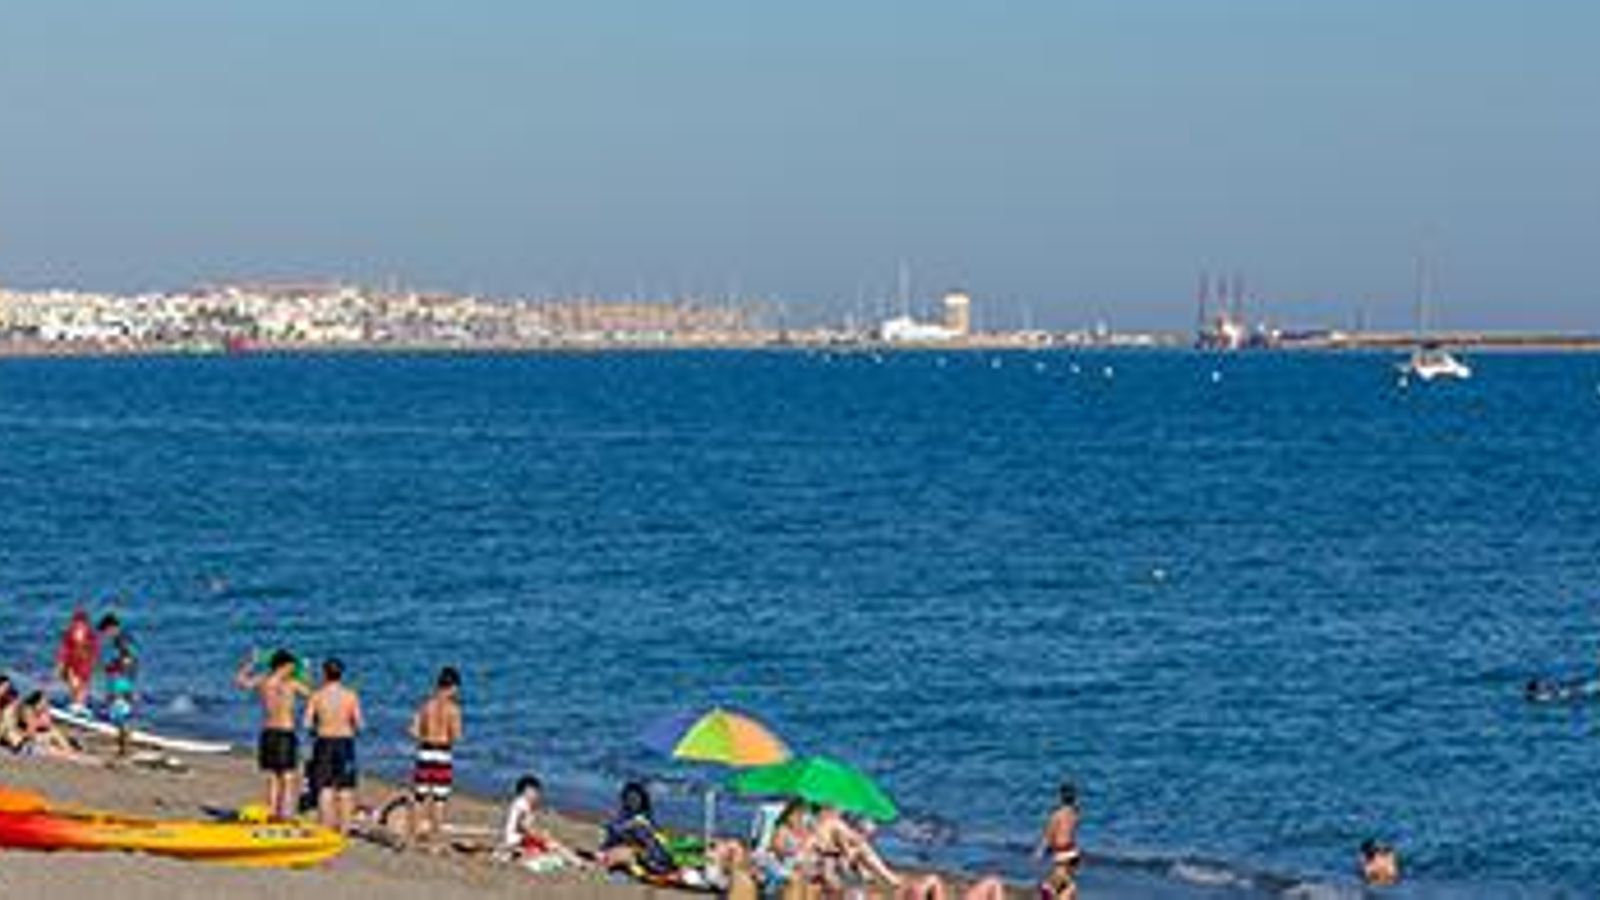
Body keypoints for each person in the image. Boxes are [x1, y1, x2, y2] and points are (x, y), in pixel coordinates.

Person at [235, 649, 309, 820]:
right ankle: (285, 815)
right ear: (283, 666)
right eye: (291, 666)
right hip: (285, 732)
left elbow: (240, 681)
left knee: (274, 776)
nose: (292, 669)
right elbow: (312, 695)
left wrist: (250, 663)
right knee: (288, 777)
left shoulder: (263, 681)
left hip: (267, 732)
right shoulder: (291, 684)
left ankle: (273, 812)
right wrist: (305, 672)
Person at [305, 657, 363, 833]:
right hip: (345, 743)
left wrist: (317, 728)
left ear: (324, 673)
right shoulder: (350, 695)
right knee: (345, 788)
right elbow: (360, 723)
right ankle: (344, 827)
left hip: (324, 742)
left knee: (325, 787)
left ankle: (325, 827)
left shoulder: (317, 695)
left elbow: (307, 722)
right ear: (341, 674)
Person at [407, 665, 463, 847]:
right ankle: (435, 836)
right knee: (439, 798)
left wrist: (425, 736)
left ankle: (415, 833)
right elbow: (456, 735)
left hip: (425, 750)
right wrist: (447, 738)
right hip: (443, 752)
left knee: (420, 795)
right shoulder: (453, 709)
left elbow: (412, 730)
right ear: (452, 686)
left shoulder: (426, 705)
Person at [499, 775, 588, 871]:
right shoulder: (522, 804)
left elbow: (523, 826)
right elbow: (523, 826)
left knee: (547, 847)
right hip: (518, 840)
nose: (537, 795)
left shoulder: (523, 804)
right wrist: (541, 835)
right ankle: (577, 861)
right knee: (553, 845)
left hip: (516, 840)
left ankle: (575, 860)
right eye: (535, 792)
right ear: (526, 792)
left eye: (538, 792)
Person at [811, 806, 901, 899]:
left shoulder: (820, 824)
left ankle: (882, 875)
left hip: (825, 863)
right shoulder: (834, 824)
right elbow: (851, 842)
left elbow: (842, 844)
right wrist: (859, 839)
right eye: (838, 809)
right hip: (828, 864)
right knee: (862, 849)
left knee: (859, 851)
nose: (840, 811)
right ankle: (886, 876)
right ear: (829, 809)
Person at [599, 782, 679, 877]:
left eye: (636, 800)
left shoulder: (638, 820)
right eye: (632, 800)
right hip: (628, 853)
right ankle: (657, 864)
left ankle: (659, 863)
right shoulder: (629, 821)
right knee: (635, 849)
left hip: (637, 851)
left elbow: (654, 836)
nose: (635, 803)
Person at [16, 691, 99, 764]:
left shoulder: (41, 712)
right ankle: (71, 752)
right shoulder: (28, 712)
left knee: (56, 734)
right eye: (43, 702)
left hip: (40, 738)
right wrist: (42, 728)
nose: (46, 704)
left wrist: (44, 715)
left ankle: (70, 750)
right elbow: (31, 733)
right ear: (37, 702)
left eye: (46, 702)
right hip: (30, 741)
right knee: (55, 740)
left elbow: (49, 725)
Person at [99, 616, 138, 757]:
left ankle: (125, 749)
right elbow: (131, 661)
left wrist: (112, 667)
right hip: (125, 679)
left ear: (112, 628)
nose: (105, 635)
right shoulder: (125, 639)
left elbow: (128, 660)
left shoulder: (121, 640)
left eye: (105, 632)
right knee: (121, 714)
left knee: (120, 714)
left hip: (121, 680)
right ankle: (123, 747)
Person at [1036, 782, 1081, 900]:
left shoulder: (1057, 815)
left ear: (1060, 797)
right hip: (1073, 852)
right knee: (1067, 885)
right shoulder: (1075, 813)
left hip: (1062, 854)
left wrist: (1040, 850)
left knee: (1047, 887)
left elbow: (1049, 834)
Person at [55, 608, 99, 713]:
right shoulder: (69, 634)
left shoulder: (90, 635)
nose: (79, 625)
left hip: (85, 663)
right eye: (77, 622)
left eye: (82, 622)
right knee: (73, 683)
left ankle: (80, 704)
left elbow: (94, 649)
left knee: (83, 684)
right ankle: (75, 703)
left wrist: (93, 660)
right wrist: (60, 662)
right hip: (71, 662)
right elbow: (63, 649)